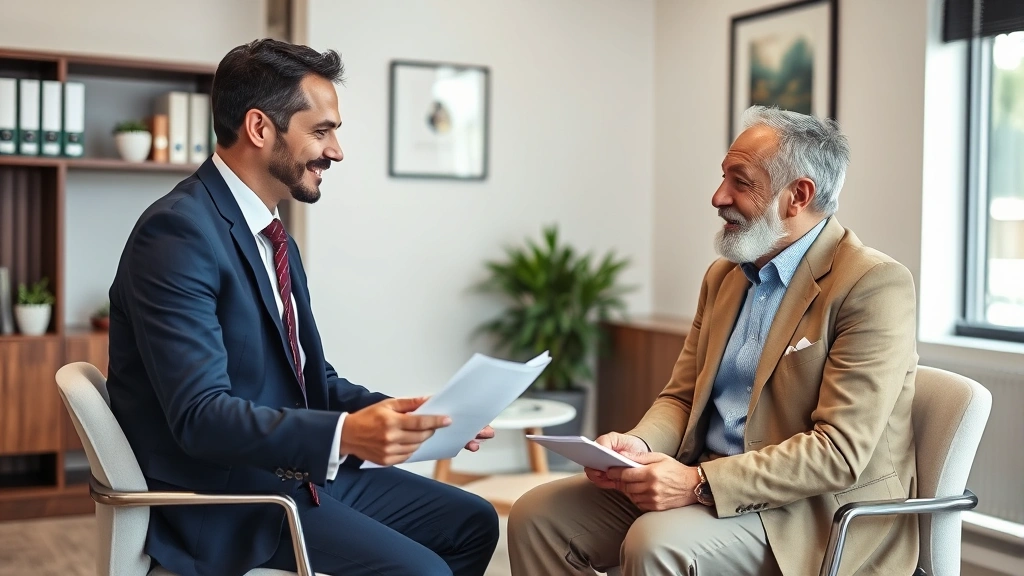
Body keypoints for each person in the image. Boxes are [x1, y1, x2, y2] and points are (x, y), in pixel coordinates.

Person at [106, 39, 499, 576]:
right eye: (321, 131)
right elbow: (200, 417)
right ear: (260, 128)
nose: (336, 150)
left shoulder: (270, 233)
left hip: (293, 473)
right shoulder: (177, 233)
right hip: (230, 501)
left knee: (472, 522)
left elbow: (309, 379)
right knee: (420, 570)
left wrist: (411, 415)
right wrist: (345, 435)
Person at [507, 106, 919, 576]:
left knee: (656, 544)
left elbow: (837, 452)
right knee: (537, 517)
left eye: (740, 182)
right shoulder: (725, 277)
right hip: (705, 474)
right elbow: (682, 397)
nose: (717, 196)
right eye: (723, 177)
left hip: (807, 509)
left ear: (797, 196)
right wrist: (639, 445)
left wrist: (698, 483)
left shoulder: (873, 285)